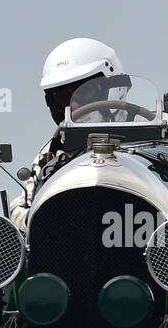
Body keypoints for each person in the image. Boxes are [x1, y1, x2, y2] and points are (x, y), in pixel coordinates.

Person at [9, 37, 127, 230]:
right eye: (64, 96)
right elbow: (22, 204)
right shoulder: (53, 151)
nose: (75, 104)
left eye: (85, 92)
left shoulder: (165, 132)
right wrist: (45, 220)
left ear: (114, 88)